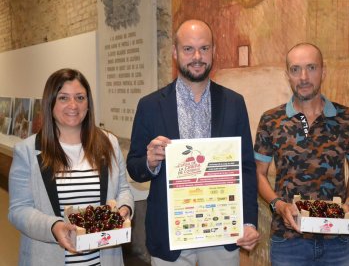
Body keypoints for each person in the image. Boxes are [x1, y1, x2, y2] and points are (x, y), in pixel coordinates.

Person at [126, 19, 260, 265]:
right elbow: (134, 166)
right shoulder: (150, 105)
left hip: (221, 232)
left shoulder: (234, 103)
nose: (197, 56)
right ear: (175, 53)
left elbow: (247, 167)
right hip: (170, 234)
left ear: (213, 52)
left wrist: (249, 221)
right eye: (188, 49)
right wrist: (150, 161)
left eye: (204, 48)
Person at [254, 43, 349, 266]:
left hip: (337, 241)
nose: (303, 77)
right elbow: (259, 174)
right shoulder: (271, 120)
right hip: (288, 242)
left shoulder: (348, 118)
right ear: (288, 75)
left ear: (324, 72)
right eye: (295, 69)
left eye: (311, 68)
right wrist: (278, 205)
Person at [8, 68, 134, 265]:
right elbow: (19, 210)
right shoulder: (27, 151)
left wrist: (125, 207)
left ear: (88, 103)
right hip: (49, 257)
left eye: (80, 97)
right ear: (50, 103)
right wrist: (54, 226)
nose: (73, 105)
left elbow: (123, 189)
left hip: (103, 258)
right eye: (63, 98)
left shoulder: (109, 143)